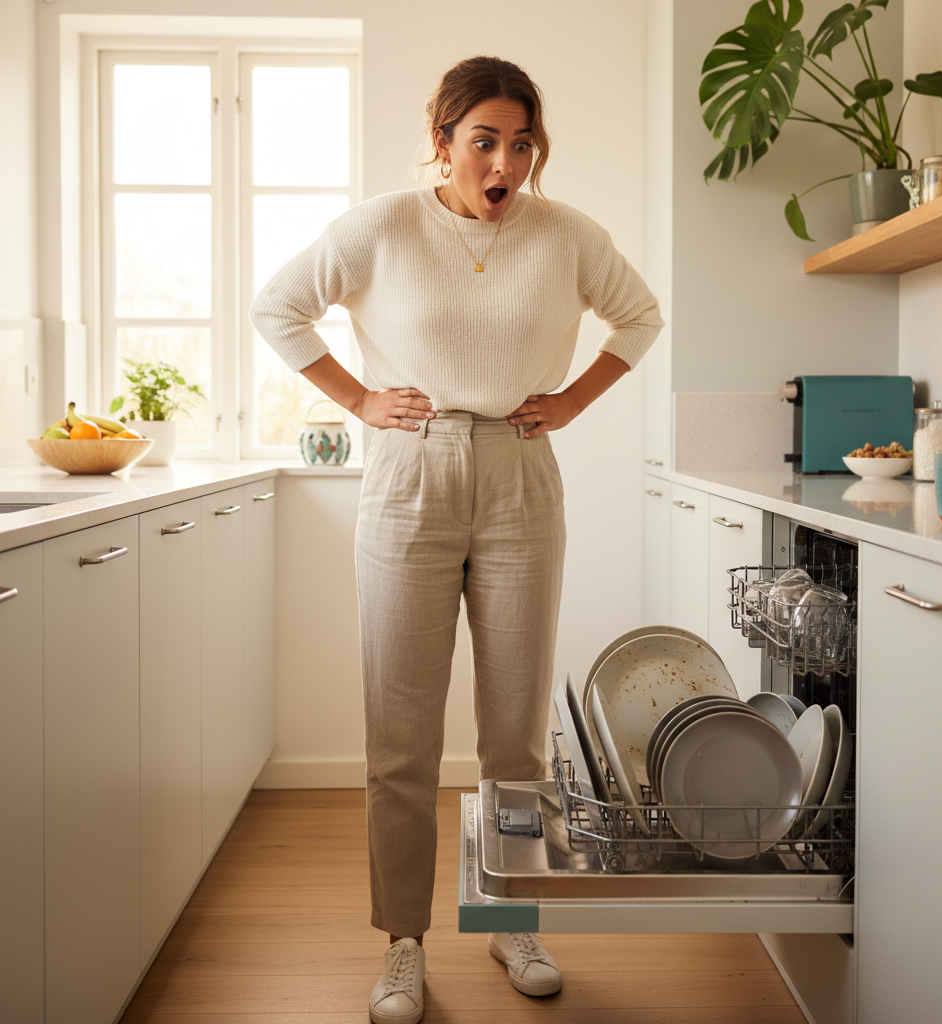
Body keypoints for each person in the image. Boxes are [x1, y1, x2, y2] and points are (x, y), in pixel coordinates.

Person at [250, 54, 662, 1024]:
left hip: (520, 473)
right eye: (484, 140)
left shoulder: (564, 236)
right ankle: (403, 941)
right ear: (442, 143)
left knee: (515, 730)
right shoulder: (383, 227)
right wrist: (357, 398)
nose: (504, 162)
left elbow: (638, 317)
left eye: (522, 144)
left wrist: (568, 400)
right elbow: (280, 306)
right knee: (400, 733)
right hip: (410, 472)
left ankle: (511, 917)